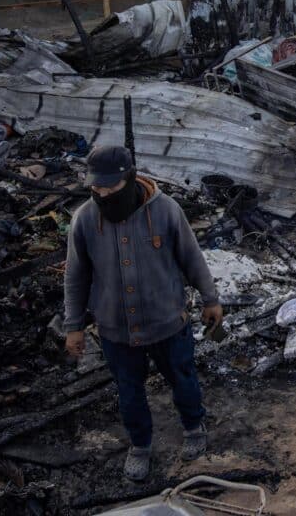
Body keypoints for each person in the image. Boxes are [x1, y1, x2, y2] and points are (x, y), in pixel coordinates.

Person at [64, 146, 223, 481]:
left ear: (130, 178)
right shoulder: (85, 219)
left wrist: (210, 298)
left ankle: (194, 426)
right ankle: (140, 446)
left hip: (167, 321)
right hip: (115, 329)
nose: (103, 195)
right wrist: (74, 325)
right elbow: (76, 277)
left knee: (183, 378)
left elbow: (191, 257)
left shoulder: (165, 211)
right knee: (129, 391)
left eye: (111, 188)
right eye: (97, 190)